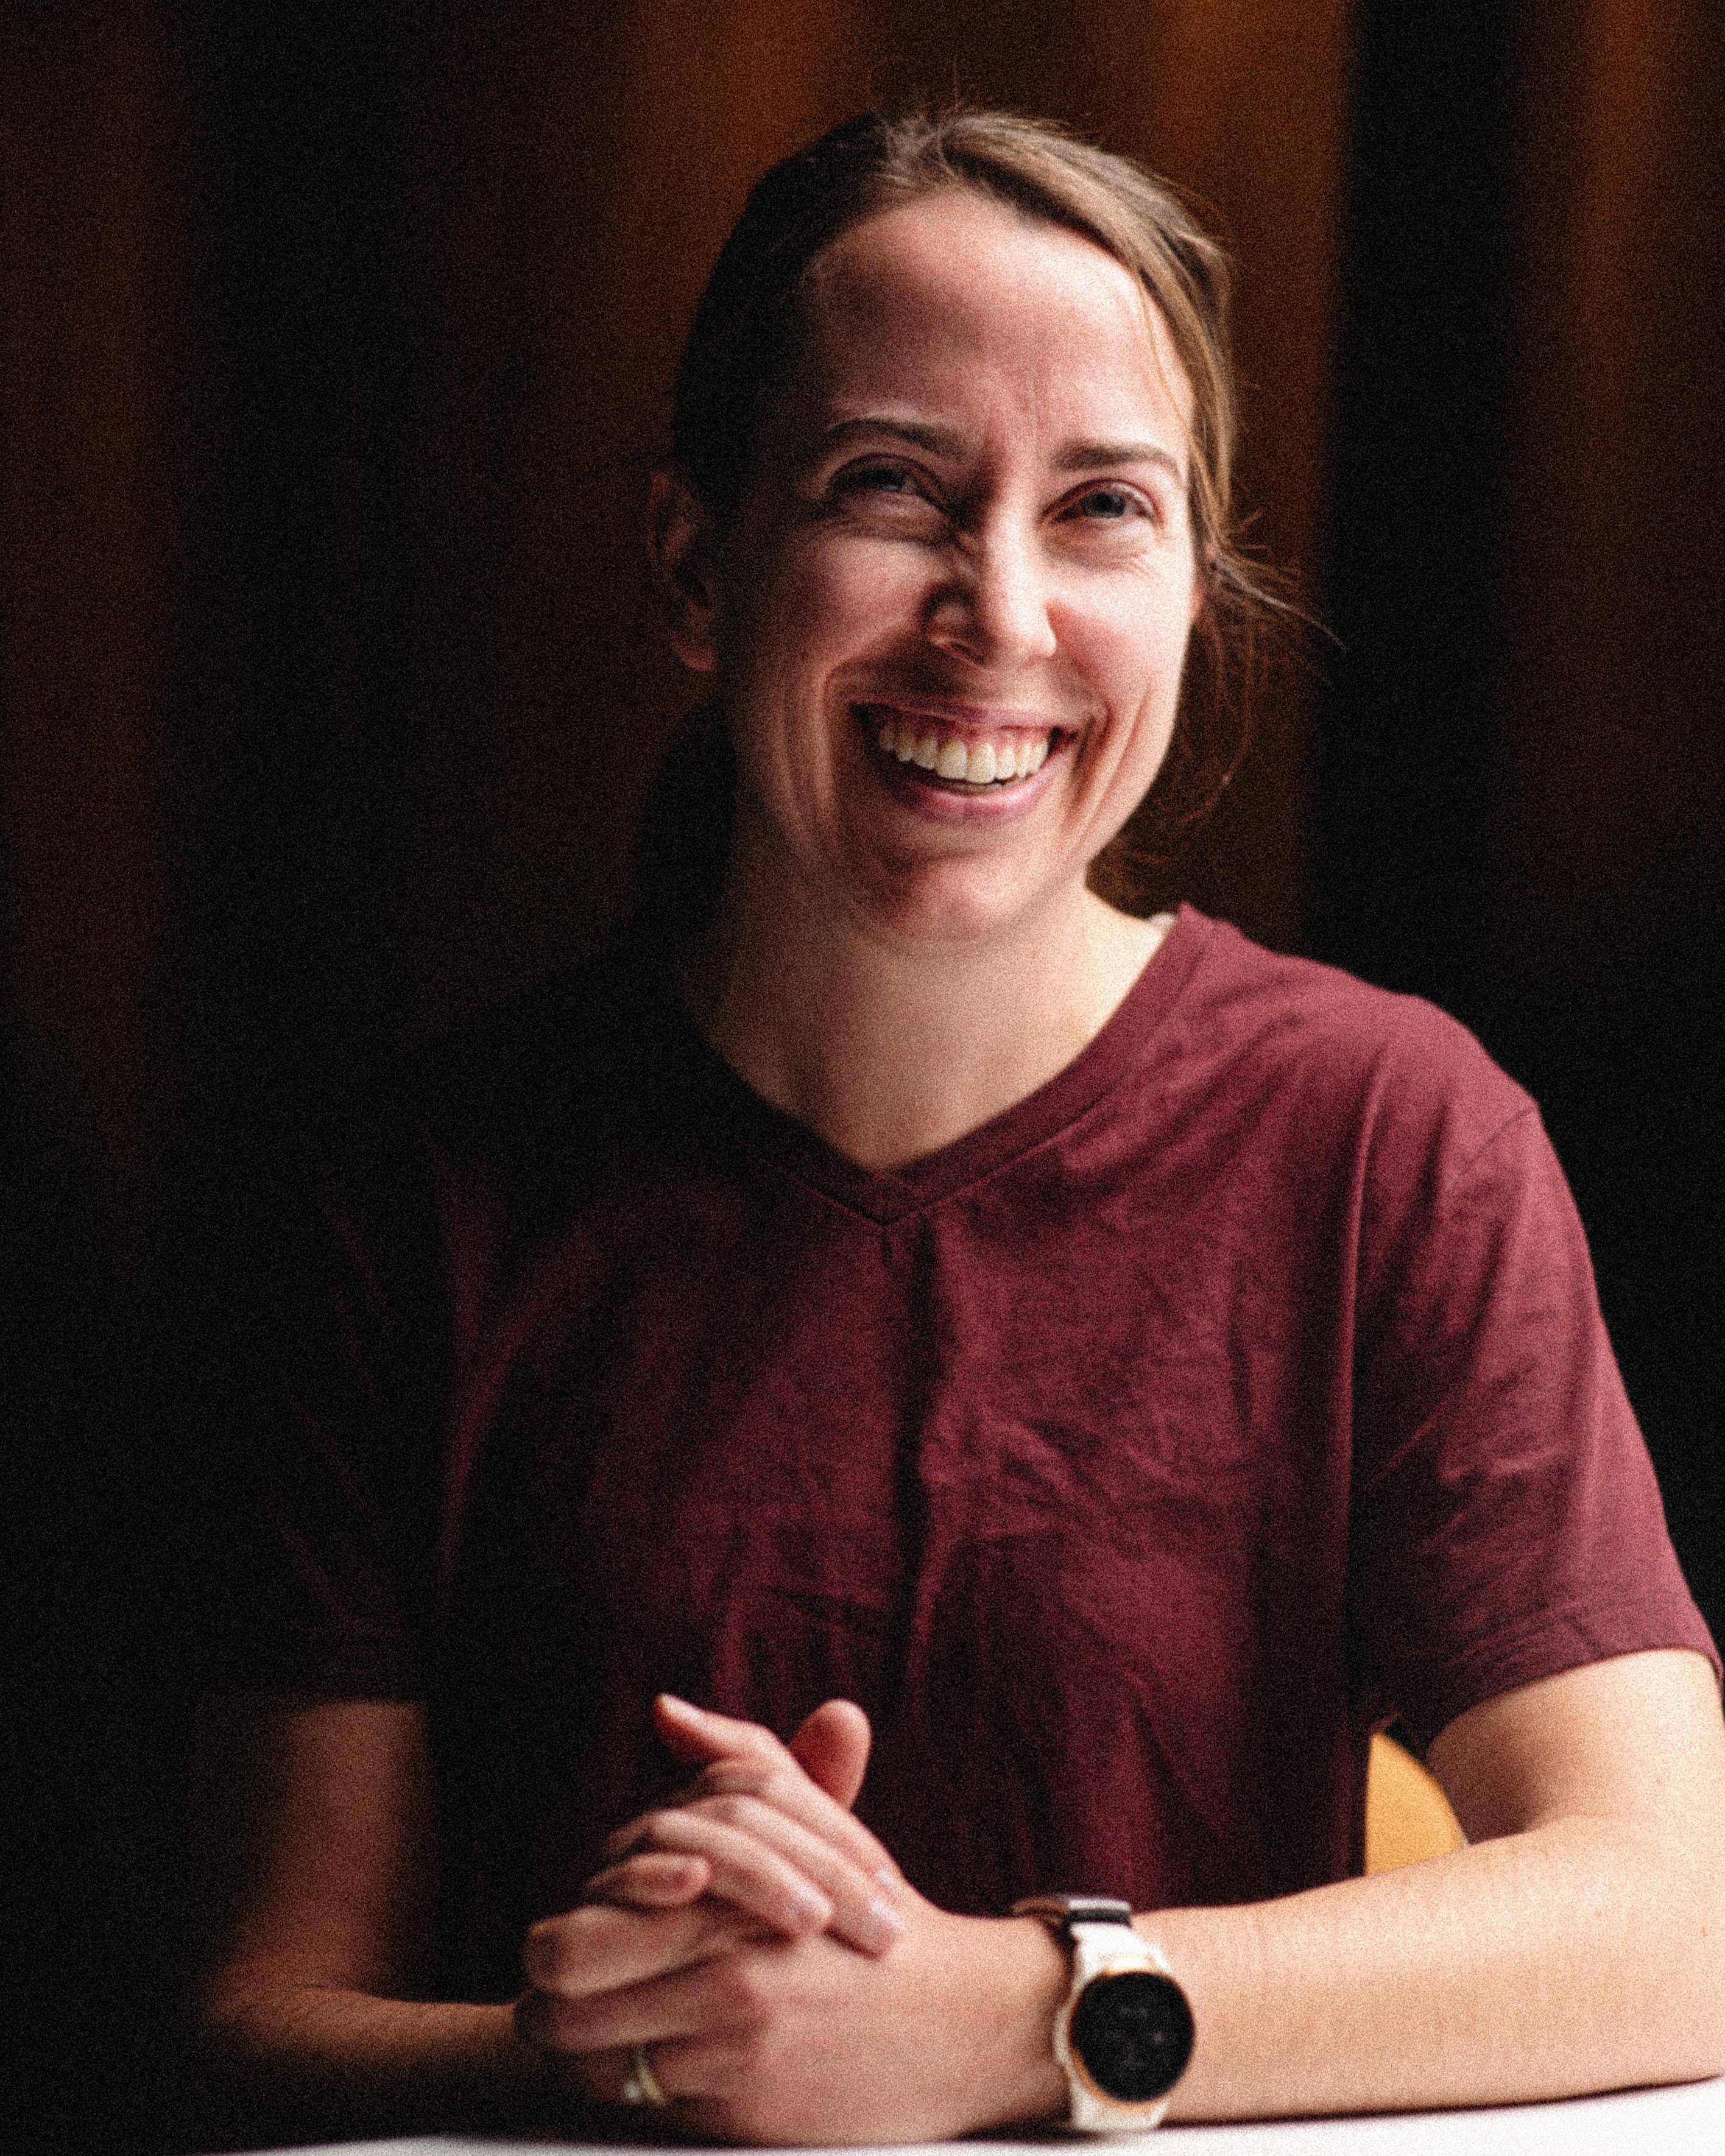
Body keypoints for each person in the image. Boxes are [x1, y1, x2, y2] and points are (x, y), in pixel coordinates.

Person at [188, 110, 1725, 2149]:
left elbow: (1675, 1910)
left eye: (1103, 509)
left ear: (1192, 595)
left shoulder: (1392, 1137)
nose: (996, 613)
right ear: (691, 560)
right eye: (892, 487)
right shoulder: (414, 1196)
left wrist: (1012, 2011)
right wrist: (650, 2033)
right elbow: (250, 2018)